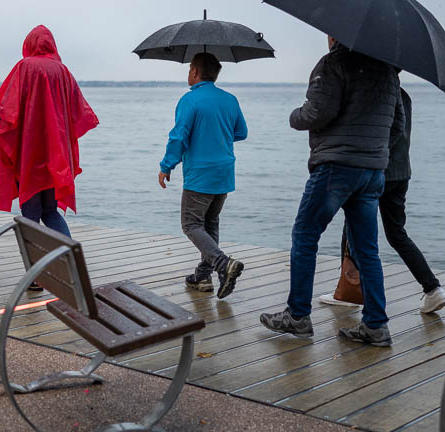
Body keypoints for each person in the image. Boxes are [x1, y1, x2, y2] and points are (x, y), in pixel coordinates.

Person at [260, 36, 404, 346]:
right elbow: (398, 128)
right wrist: (373, 153)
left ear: (335, 33)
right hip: (372, 172)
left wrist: (294, 115)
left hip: (335, 168)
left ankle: (297, 316)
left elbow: (316, 114)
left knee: (305, 235)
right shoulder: (389, 73)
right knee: (367, 250)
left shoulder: (334, 64)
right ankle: (375, 324)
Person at [318, 83, 445, 313]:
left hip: (375, 169)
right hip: (401, 173)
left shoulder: (375, 91)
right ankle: (433, 289)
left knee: (352, 227)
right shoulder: (404, 95)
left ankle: (348, 289)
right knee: (397, 234)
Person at [0, 26, 98, 260]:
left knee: (30, 214)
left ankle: (36, 276)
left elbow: (6, 111)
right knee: (50, 210)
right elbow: (79, 112)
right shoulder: (63, 71)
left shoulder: (24, 67)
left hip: (30, 153)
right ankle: (71, 261)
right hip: (56, 156)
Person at [158, 52, 247, 299]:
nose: (188, 74)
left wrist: (167, 166)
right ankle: (204, 276)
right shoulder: (230, 100)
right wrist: (216, 135)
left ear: (196, 72)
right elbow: (241, 132)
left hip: (201, 174)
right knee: (210, 223)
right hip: (225, 172)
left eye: (189, 69)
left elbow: (178, 137)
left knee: (191, 224)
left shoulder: (190, 101)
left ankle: (223, 264)